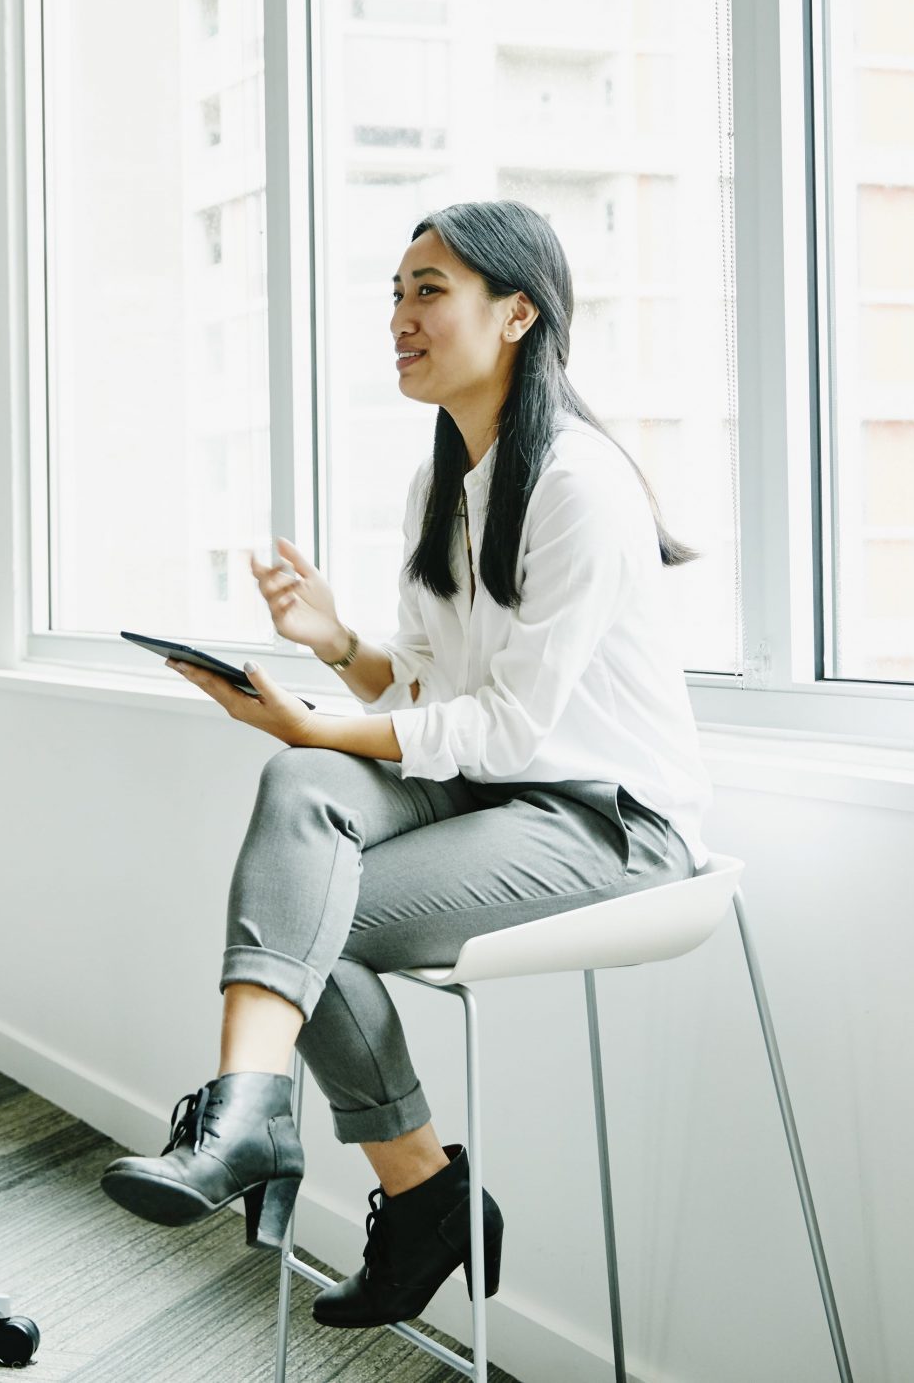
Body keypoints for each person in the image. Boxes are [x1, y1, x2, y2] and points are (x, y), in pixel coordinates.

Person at [99, 200, 711, 1330]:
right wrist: (336, 649)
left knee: (302, 904)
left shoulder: (581, 482)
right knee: (301, 796)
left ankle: (370, 1171)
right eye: (395, 293)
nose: (399, 316)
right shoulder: (443, 483)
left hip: (610, 825)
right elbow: (436, 693)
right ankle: (261, 1114)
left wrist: (318, 720)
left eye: (427, 290)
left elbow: (511, 729)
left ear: (517, 311)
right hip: (499, 793)